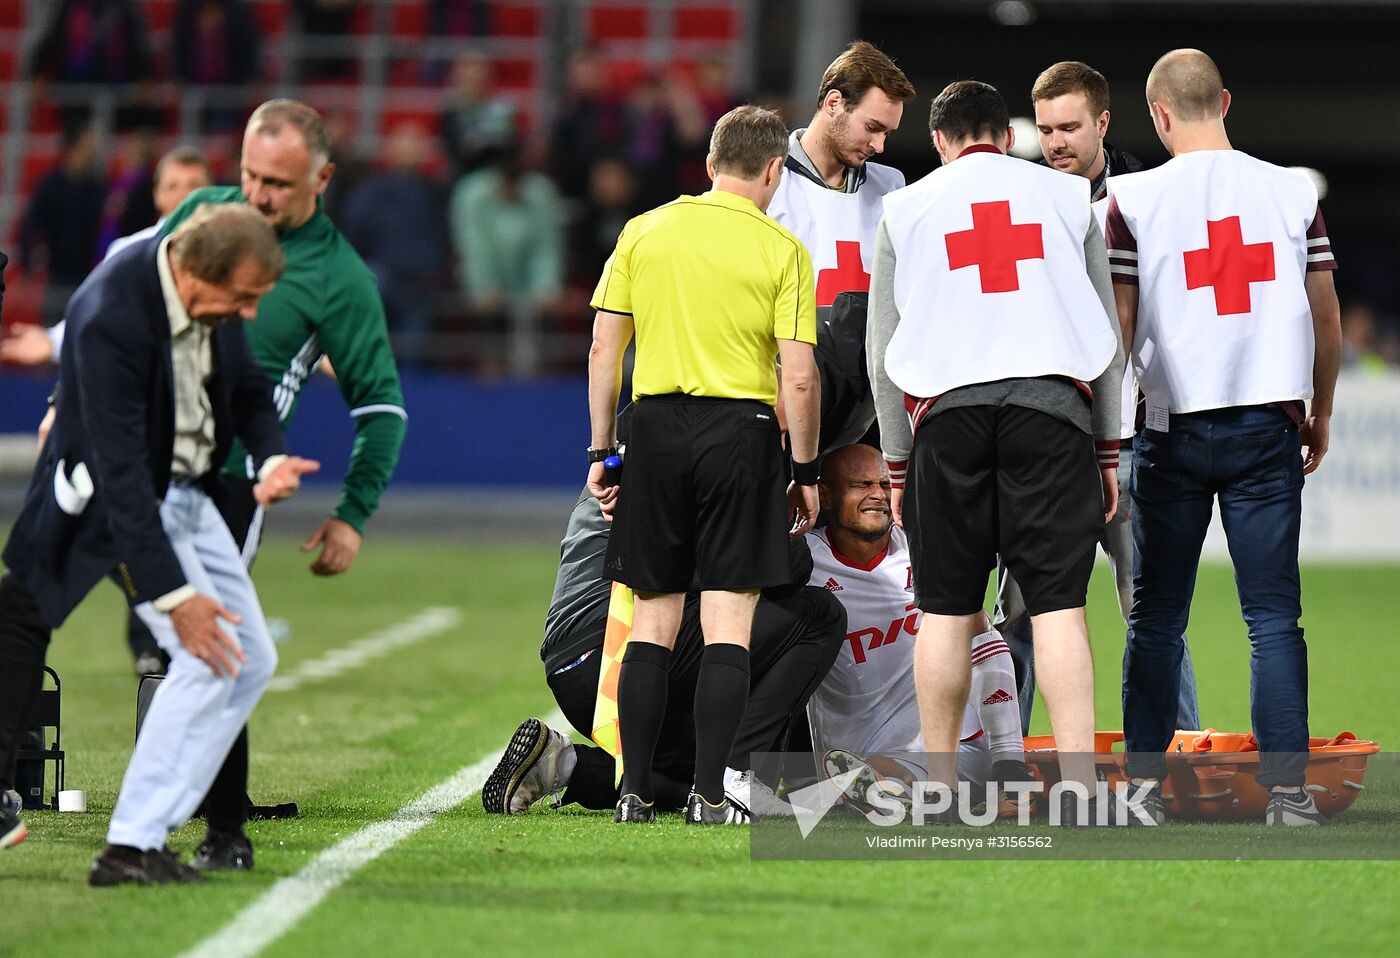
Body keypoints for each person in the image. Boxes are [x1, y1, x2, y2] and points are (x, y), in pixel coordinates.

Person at [0, 205, 319, 880]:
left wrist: (269, 461)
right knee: (199, 651)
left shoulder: (215, 304)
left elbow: (249, 393)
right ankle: (134, 842)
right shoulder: (111, 311)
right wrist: (174, 597)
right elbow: (120, 480)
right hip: (110, 498)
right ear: (198, 272)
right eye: (245, 298)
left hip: (187, 491)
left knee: (249, 658)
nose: (252, 314)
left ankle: (142, 835)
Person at [867, 80, 1124, 823]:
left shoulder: (906, 209)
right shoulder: (1066, 198)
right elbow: (1105, 341)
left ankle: (941, 789)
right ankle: (1077, 790)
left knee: (946, 611)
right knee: (1059, 608)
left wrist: (896, 460)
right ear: (1006, 137)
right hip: (1053, 414)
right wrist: (1107, 451)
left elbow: (883, 351)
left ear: (940, 141)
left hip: (946, 418)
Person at [1106, 49, 1342, 826]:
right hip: (1268, 424)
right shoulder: (1290, 190)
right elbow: (1326, 314)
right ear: (1226, 102)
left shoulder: (1131, 196)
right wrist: (1323, 409)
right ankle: (1290, 795)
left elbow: (1122, 323)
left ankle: (1139, 792)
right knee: (1273, 618)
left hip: (1171, 430)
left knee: (1156, 618)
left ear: (1160, 114)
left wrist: (1113, 432)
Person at [586, 105, 821, 825]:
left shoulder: (644, 230)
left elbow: (603, 348)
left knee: (652, 620)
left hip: (653, 429)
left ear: (711, 162)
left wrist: (603, 451)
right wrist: (805, 470)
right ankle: (710, 795)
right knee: (728, 622)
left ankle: (632, 792)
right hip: (741, 432)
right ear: (775, 170)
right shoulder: (783, 249)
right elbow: (801, 377)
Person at [482, 422, 846, 819]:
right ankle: (738, 777)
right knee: (815, 614)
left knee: (696, 772)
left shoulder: (631, 452)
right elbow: (778, 568)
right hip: (617, 650)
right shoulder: (704, 453)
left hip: (574, 666)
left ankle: (562, 764)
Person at [989, 60, 1199, 734]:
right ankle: (1005, 759)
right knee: (1023, 613)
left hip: (1137, 438)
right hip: (1047, 438)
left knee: (1153, 609)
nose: (1054, 142)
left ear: (1103, 123)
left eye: (1069, 127)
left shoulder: (1151, 199)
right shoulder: (1021, 202)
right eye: (1045, 128)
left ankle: (1174, 755)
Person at [803, 445, 1027, 805]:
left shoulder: (920, 544)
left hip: (952, 742)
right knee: (870, 772)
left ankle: (1008, 762)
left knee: (975, 620)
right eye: (861, 485)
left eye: (884, 483)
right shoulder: (805, 562)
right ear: (825, 496)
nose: (877, 494)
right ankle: (882, 792)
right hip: (853, 745)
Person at [765, 41, 915, 450]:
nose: (879, 145)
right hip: (782, 392)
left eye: (887, 133)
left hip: (865, 402)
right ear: (834, 102)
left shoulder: (892, 186)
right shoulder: (767, 182)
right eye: (872, 127)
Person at [2, 147, 214, 379]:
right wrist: (53, 344)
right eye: (173, 186)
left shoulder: (233, 248)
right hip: (149, 380)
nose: (183, 195)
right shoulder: (128, 251)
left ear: (210, 192)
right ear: (157, 196)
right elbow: (95, 309)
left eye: (193, 185)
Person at [16, 121, 107, 327]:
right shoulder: (50, 186)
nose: (92, 153)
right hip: (59, 276)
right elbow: (31, 226)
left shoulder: (97, 187)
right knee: (54, 332)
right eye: (87, 147)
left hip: (91, 275)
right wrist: (26, 266)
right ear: (71, 149)